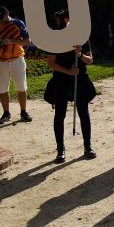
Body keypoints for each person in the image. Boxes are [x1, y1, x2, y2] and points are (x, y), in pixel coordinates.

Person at [45, 10, 97, 162]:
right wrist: (68, 71)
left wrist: (80, 54)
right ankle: (60, 149)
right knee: (59, 114)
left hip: (79, 80)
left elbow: (90, 60)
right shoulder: (55, 38)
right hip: (61, 80)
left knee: (83, 112)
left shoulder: (81, 37)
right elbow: (51, 63)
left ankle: (88, 146)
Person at [0, 6, 32, 124]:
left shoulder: (18, 23)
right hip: (0, 60)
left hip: (17, 58)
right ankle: (6, 112)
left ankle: (23, 111)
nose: (0, 21)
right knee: (2, 88)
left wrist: (11, 41)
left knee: (21, 86)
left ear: (7, 14)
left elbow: (27, 41)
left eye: (1, 18)